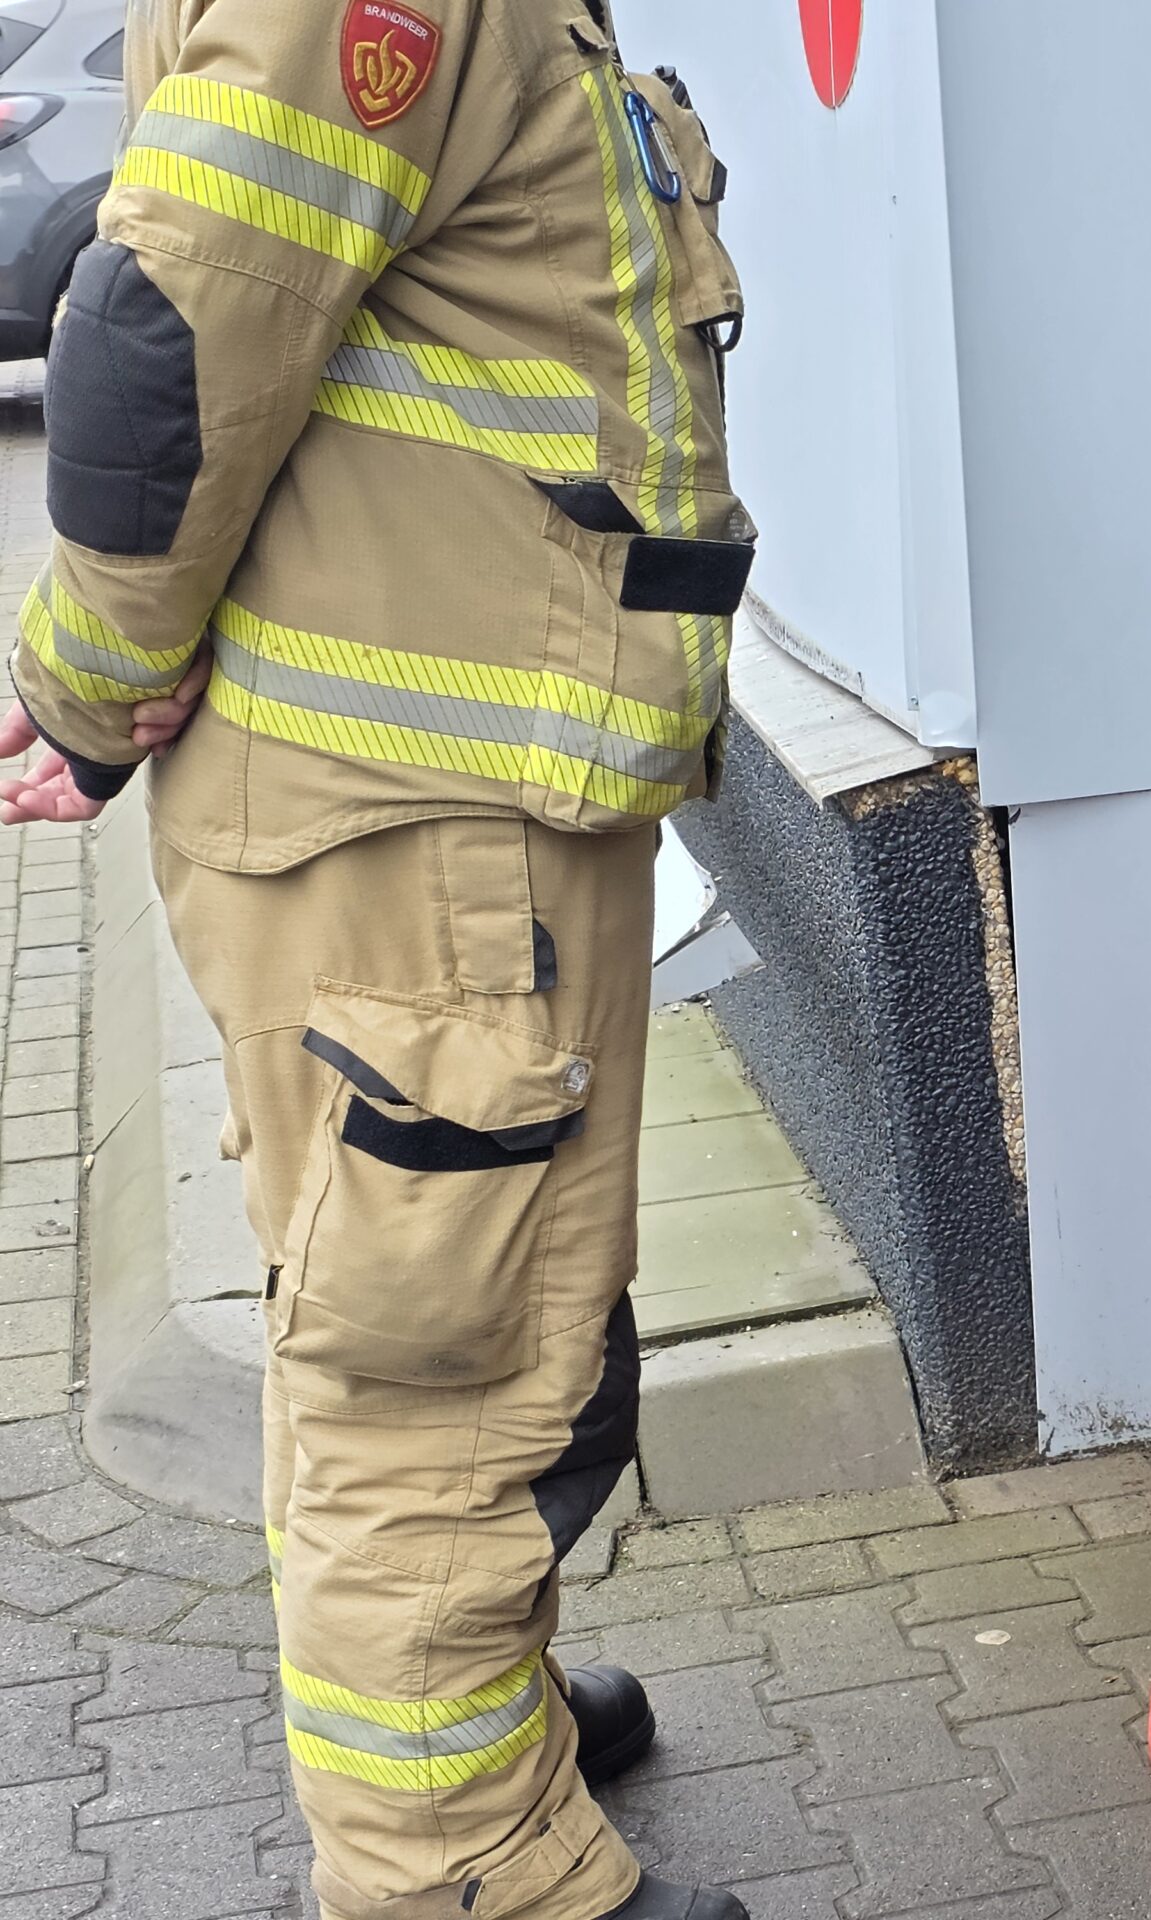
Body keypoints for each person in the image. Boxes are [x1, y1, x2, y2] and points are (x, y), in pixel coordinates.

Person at [0, 3, 754, 1916]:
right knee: (430, 1372)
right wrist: (85, 686)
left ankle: (476, 1724)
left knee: (503, 1319)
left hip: (463, 812)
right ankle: (456, 1869)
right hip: (416, 832)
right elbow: (164, 337)